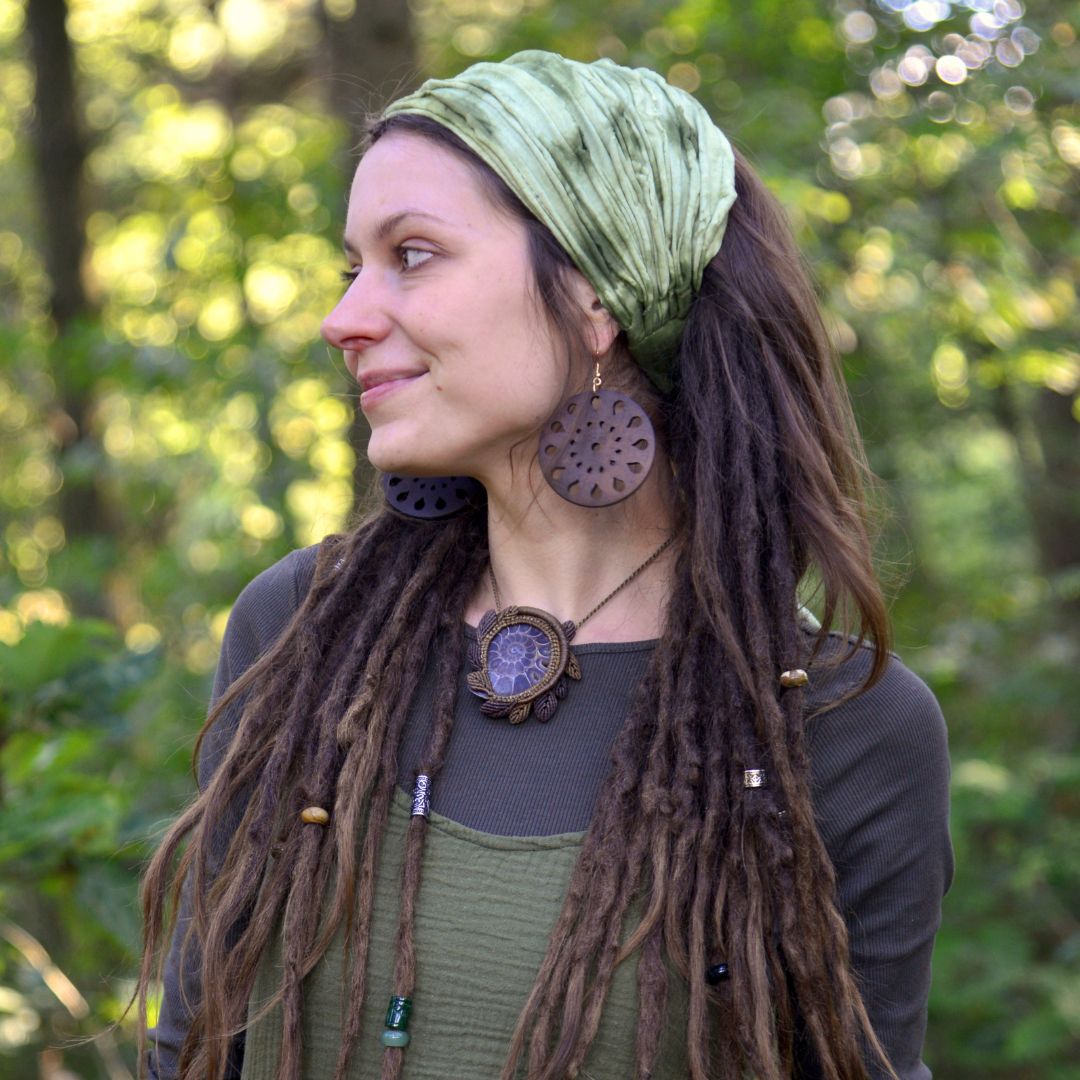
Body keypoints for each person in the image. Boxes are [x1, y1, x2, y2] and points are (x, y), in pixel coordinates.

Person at [138, 50, 952, 1080]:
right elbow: (190, 1054)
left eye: (414, 255)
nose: (343, 320)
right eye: (352, 268)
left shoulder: (841, 724)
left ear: (594, 294)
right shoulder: (303, 630)